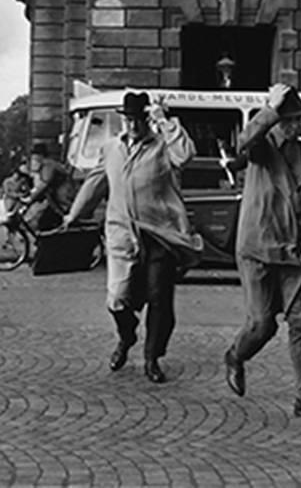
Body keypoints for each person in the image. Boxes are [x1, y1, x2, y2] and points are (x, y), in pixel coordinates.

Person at [220, 82, 301, 425]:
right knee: (261, 325)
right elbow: (243, 142)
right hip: (259, 248)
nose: (294, 125)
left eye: (298, 118)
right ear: (276, 119)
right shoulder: (261, 148)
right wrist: (270, 110)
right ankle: (235, 356)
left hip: (296, 252)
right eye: (287, 118)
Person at [63, 91, 203, 384]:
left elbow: (186, 154)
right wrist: (74, 215)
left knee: (158, 298)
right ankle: (126, 337)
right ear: (122, 120)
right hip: (121, 234)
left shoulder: (163, 146)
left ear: (147, 120)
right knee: (117, 298)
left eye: (139, 119)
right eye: (128, 119)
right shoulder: (111, 148)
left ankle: (152, 357)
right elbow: (95, 183)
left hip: (159, 234)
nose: (133, 125)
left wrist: (166, 121)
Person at [23, 142, 74, 232]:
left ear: (41, 155)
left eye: (35, 155)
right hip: (58, 198)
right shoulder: (48, 164)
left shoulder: (48, 165)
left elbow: (44, 184)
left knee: (46, 221)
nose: (34, 159)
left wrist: (31, 198)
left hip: (63, 197)